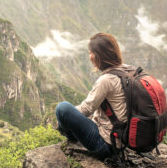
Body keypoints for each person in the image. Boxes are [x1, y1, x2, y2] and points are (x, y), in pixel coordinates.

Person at [56, 32, 135, 160]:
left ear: (99, 56)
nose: (89, 56)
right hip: (124, 139)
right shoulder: (129, 70)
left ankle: (70, 135)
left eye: (91, 52)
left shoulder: (106, 80)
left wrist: (64, 120)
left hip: (106, 145)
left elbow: (86, 109)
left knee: (62, 108)